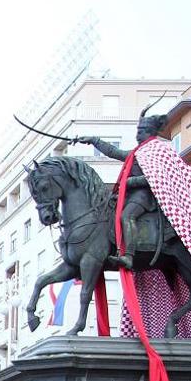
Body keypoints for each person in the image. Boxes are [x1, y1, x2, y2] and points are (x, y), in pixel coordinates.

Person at [75, 112, 169, 271]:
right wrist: (93, 140)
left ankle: (129, 256)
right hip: (130, 194)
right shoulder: (137, 152)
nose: (138, 134)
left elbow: (154, 177)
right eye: (138, 130)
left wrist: (128, 182)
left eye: (142, 131)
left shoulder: (155, 151)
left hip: (144, 196)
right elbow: (114, 152)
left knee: (127, 216)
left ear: (151, 132)